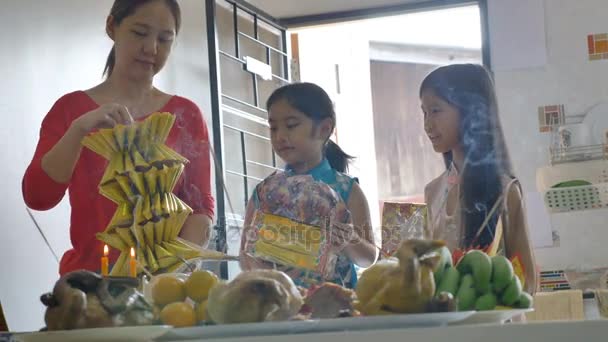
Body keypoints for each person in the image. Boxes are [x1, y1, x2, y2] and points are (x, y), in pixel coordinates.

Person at [22, 0, 214, 276]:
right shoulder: (71, 110)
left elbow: (200, 206)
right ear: (112, 27)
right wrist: (79, 130)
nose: (151, 49)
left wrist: (172, 273)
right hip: (92, 285)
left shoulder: (186, 114)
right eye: (139, 33)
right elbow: (38, 197)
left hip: (164, 288)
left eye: (164, 39)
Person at [239, 82, 377, 288]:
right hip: (278, 302)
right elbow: (244, 255)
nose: (280, 137)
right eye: (273, 128)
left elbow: (369, 258)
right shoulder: (264, 192)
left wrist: (350, 239)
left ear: (324, 129)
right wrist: (256, 265)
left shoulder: (346, 189)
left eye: (291, 125)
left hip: (334, 305)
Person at [420, 64, 537, 293]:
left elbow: (528, 282)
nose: (427, 124)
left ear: (470, 111)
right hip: (447, 325)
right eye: (423, 112)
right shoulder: (432, 192)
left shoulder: (505, 191)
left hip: (497, 325)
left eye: (435, 110)